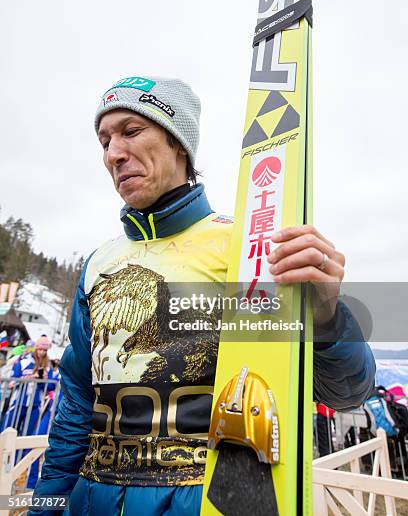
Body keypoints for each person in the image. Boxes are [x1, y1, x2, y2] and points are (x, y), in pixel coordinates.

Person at [30, 76, 375, 515]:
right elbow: (77, 401)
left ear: (179, 143)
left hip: (208, 500)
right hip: (92, 500)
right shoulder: (99, 262)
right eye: (105, 140)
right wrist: (45, 505)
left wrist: (327, 315)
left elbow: (346, 392)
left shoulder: (247, 248)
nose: (113, 154)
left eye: (131, 131)